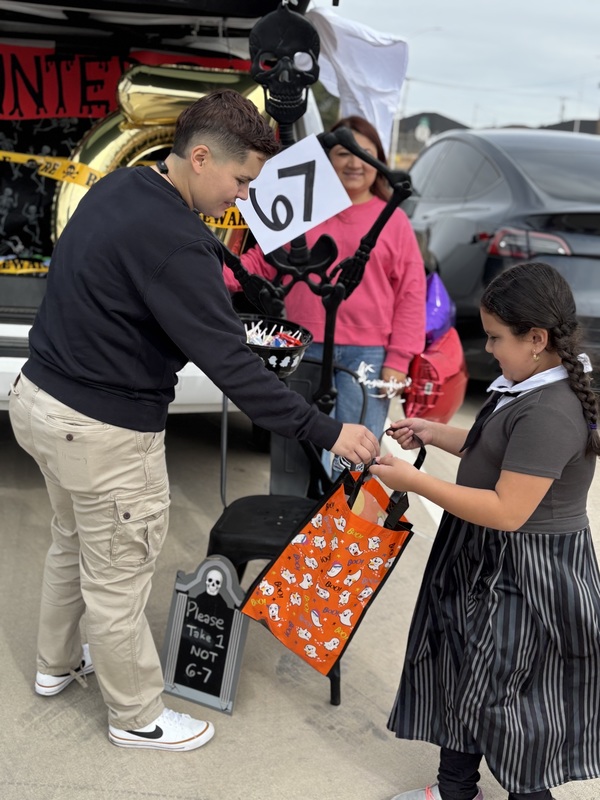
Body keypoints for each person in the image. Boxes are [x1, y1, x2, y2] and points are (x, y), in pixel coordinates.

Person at [8, 90, 379, 753]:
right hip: (103, 431)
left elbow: (132, 296)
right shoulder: (178, 241)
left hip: (39, 404)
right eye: (240, 180)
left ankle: (53, 668)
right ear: (201, 157)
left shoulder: (121, 187)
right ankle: (136, 717)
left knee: (71, 542)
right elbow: (237, 372)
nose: (242, 197)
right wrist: (329, 432)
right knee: (119, 578)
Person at [369, 261, 600, 800]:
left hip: (526, 572)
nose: (489, 349)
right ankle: (455, 790)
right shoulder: (527, 385)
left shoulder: (552, 409)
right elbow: (495, 450)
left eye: (496, 338)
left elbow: (506, 510)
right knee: (460, 665)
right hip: (486, 556)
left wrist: (415, 482)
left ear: (537, 339)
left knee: (508, 703)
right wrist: (435, 432)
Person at [224, 115, 426, 454]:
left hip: (368, 358)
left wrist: (398, 361)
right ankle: (293, 511)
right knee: (295, 454)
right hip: (300, 348)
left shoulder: (394, 219)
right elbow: (261, 262)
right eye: (344, 153)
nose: (354, 162)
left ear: (379, 161)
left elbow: (411, 293)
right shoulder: (301, 208)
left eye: (365, 152)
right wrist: (207, 274)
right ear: (325, 160)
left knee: (355, 459)